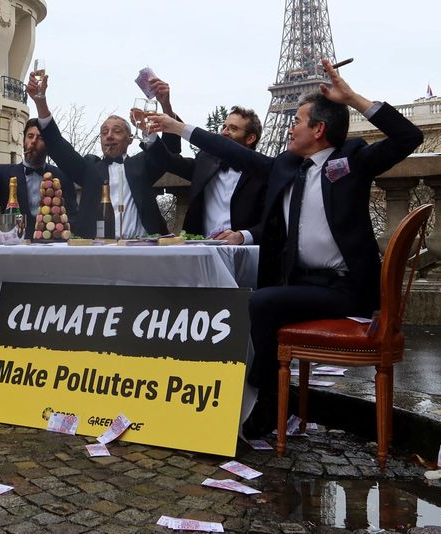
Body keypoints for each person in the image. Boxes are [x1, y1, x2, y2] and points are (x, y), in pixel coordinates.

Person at [150, 59, 423, 437]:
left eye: (297, 120)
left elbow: (409, 137)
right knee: (258, 299)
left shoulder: (352, 160)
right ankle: (260, 397)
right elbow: (234, 153)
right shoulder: (285, 168)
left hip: (345, 289)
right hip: (301, 283)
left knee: (262, 303)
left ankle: (263, 398)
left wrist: (353, 98)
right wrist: (179, 127)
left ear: (319, 129)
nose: (290, 127)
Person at [26, 72, 177, 239]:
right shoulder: (89, 168)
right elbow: (59, 147)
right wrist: (41, 102)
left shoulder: (142, 164)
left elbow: (170, 153)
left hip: (143, 247)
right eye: (104, 132)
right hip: (99, 250)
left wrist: (166, 106)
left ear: (130, 139)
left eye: (117, 131)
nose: (109, 135)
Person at [144, 83, 267, 244]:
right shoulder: (205, 161)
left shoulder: (264, 172)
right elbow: (169, 161)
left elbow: (273, 222)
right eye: (223, 127)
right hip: (203, 250)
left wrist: (243, 236)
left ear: (251, 138)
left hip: (246, 253)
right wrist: (149, 134)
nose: (224, 132)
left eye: (233, 128)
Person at [0, 119, 77, 238]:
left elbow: (73, 215)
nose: (33, 141)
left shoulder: (61, 176)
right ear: (24, 140)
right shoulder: (3, 173)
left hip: (52, 248)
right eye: (30, 136)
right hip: (14, 247)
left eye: (40, 138)